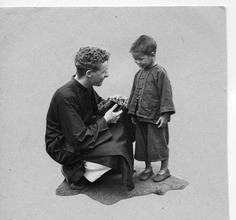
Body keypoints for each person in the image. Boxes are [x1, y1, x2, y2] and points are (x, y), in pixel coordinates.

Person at [45, 46, 135, 191]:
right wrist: (105, 120)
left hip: (83, 133)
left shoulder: (85, 86)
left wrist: (113, 102)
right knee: (117, 150)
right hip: (64, 146)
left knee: (125, 122)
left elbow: (98, 106)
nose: (107, 75)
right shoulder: (65, 96)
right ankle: (75, 173)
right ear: (89, 73)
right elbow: (79, 138)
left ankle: (106, 165)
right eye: (104, 72)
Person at [127, 35, 175, 182]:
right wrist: (132, 112)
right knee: (143, 145)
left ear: (152, 54)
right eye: (135, 59)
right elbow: (134, 92)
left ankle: (164, 169)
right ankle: (148, 168)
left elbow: (166, 94)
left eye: (140, 59)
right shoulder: (139, 73)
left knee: (159, 144)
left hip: (156, 118)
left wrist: (165, 115)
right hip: (140, 116)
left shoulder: (160, 72)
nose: (137, 62)